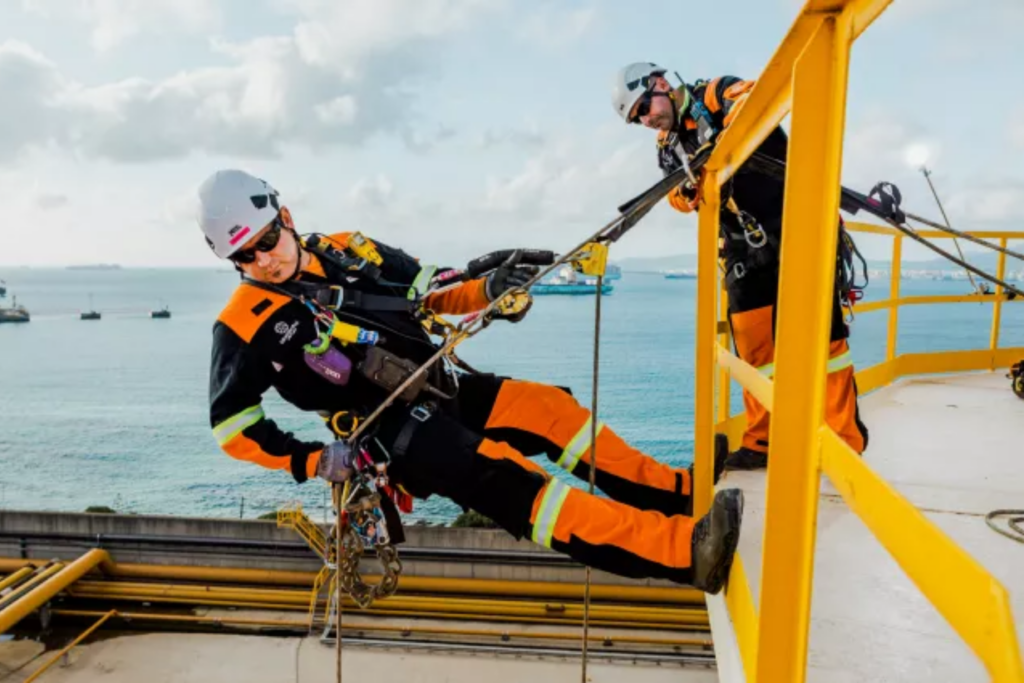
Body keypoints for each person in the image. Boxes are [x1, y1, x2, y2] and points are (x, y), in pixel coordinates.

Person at [198, 168, 742, 593]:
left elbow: (430, 287)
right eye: (245, 256)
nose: (264, 261)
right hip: (397, 439)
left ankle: (677, 493)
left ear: (284, 215)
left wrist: (489, 291)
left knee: (548, 409)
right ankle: (680, 551)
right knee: (518, 484)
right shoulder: (243, 323)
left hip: (439, 387)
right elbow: (232, 427)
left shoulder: (348, 249)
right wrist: (313, 460)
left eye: (267, 241)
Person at [611, 62, 869, 470]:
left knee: (825, 341)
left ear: (659, 83)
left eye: (644, 107)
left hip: (797, 223)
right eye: (637, 118)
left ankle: (845, 441)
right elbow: (677, 198)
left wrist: (722, 143)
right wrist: (690, 187)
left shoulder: (714, 95)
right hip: (743, 246)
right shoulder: (667, 146)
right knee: (754, 349)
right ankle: (762, 441)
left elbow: (756, 102)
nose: (646, 119)